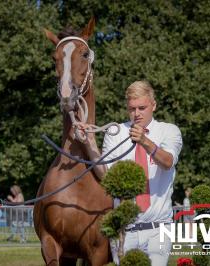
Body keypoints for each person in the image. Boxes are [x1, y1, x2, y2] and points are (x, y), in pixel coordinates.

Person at [78, 80, 183, 265]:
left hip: (159, 229)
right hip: (124, 230)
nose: (137, 114)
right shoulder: (115, 132)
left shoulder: (169, 131)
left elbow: (167, 162)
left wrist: (144, 141)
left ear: (154, 105)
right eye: (132, 109)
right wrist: (90, 144)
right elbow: (106, 177)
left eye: (142, 108)